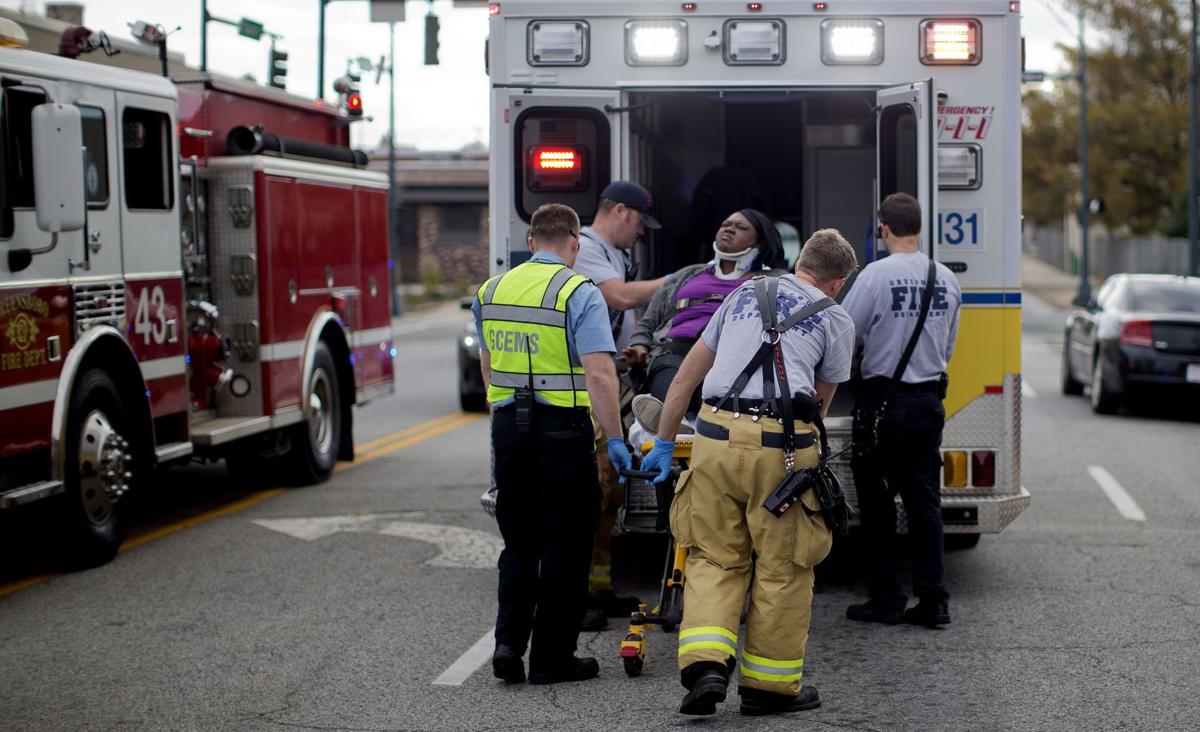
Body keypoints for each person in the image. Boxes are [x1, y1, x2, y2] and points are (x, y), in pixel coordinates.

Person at [641, 230, 858, 717]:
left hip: (714, 439)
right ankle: (768, 688)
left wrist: (662, 440)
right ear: (838, 281)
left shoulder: (744, 292)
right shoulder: (835, 317)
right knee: (783, 566)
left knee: (713, 558)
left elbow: (685, 376)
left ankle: (706, 667)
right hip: (781, 451)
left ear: (801, 263)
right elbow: (818, 406)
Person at [473, 203, 633, 685]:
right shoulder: (577, 291)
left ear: (530, 242)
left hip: (509, 431)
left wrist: (501, 415)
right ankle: (550, 659)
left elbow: (487, 364)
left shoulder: (491, 289)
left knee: (518, 543)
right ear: (575, 242)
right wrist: (617, 440)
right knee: (566, 546)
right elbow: (601, 373)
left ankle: (507, 646)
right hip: (561, 432)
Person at [841, 192, 962, 629]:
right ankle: (934, 601)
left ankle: (887, 598)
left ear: (883, 228)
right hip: (928, 400)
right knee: (925, 503)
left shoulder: (875, 275)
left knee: (877, 505)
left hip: (880, 404)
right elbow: (948, 345)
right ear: (919, 228)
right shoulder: (945, 277)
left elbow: (846, 332)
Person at [572, 180, 666, 629]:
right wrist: (680, 280)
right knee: (591, 494)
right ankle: (582, 596)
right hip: (586, 389)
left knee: (609, 495)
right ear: (621, 212)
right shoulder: (587, 249)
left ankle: (601, 588)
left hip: (613, 379)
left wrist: (633, 352)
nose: (641, 233)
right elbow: (620, 297)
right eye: (640, 223)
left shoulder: (615, 255)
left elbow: (617, 322)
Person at [623, 209, 788, 433]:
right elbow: (648, 323)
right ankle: (672, 423)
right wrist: (640, 346)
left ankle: (689, 426)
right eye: (725, 224)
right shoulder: (687, 275)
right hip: (675, 352)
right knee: (668, 362)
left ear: (759, 242)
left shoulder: (774, 282)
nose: (729, 229)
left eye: (740, 227)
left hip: (732, 357)